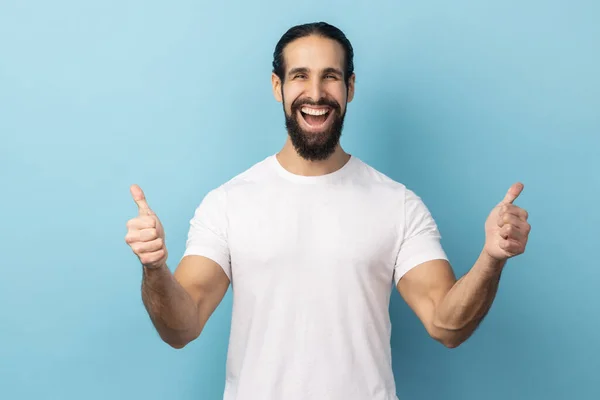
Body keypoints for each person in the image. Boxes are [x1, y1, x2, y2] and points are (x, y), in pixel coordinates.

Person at [124, 22, 531, 400]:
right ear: (277, 86)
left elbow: (446, 325)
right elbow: (182, 326)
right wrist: (155, 268)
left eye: (330, 76)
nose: (315, 93)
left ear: (350, 87)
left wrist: (492, 259)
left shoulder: (398, 204)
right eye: (300, 75)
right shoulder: (228, 202)